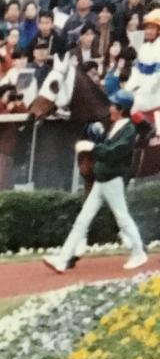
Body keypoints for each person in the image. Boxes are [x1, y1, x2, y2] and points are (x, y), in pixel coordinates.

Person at [43, 91, 149, 274]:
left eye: (113, 105)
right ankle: (62, 259)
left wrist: (92, 147)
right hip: (102, 180)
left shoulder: (129, 130)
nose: (110, 108)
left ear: (121, 109)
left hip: (112, 180)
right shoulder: (117, 126)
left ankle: (139, 253)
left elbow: (113, 152)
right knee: (82, 220)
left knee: (122, 218)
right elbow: (107, 148)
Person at [132, 9, 160, 124]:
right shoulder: (143, 48)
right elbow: (136, 71)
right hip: (142, 95)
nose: (148, 31)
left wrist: (143, 90)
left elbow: (157, 77)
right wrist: (131, 88)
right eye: (147, 28)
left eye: (152, 28)